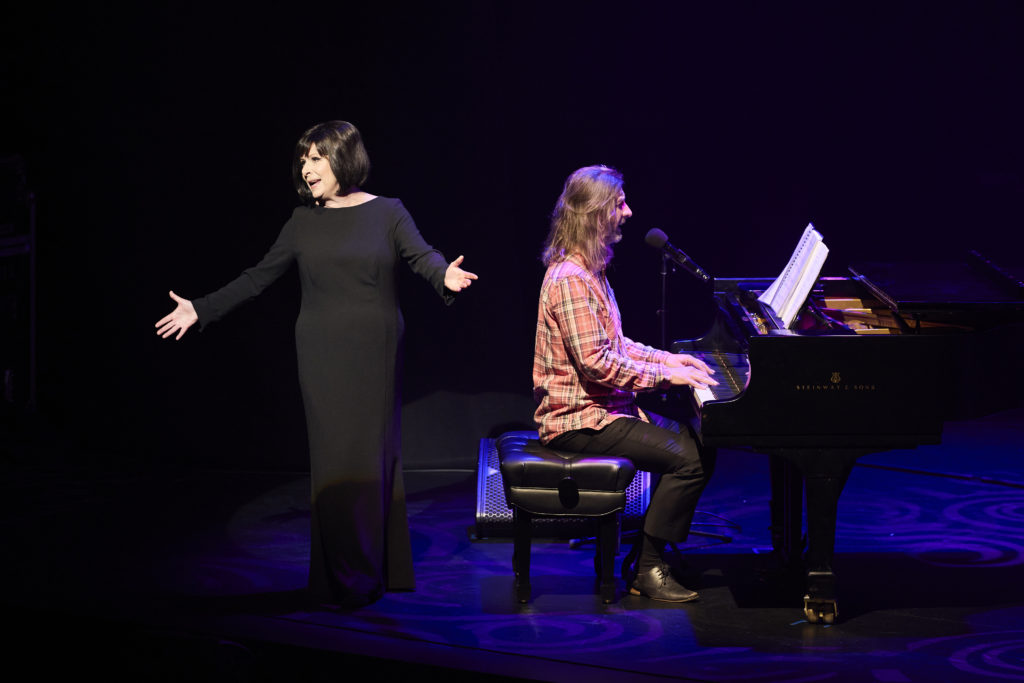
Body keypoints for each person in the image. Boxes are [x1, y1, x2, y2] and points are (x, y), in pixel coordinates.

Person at [155, 120, 477, 607]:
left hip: (376, 350)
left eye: (317, 158)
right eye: (303, 160)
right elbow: (257, 277)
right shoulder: (302, 222)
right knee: (332, 465)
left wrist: (442, 276)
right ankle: (341, 576)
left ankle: (371, 569)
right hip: (321, 354)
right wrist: (201, 308)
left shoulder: (388, 212)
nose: (307, 169)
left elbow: (422, 256)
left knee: (370, 461)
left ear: (343, 158)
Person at [532, 165, 717, 603]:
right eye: (619, 205)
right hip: (578, 420)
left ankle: (643, 556)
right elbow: (597, 364)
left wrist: (668, 357)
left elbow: (615, 343)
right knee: (689, 460)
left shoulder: (588, 270)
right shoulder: (571, 280)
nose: (628, 212)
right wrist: (665, 376)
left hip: (604, 409)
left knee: (702, 442)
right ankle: (648, 567)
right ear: (596, 214)